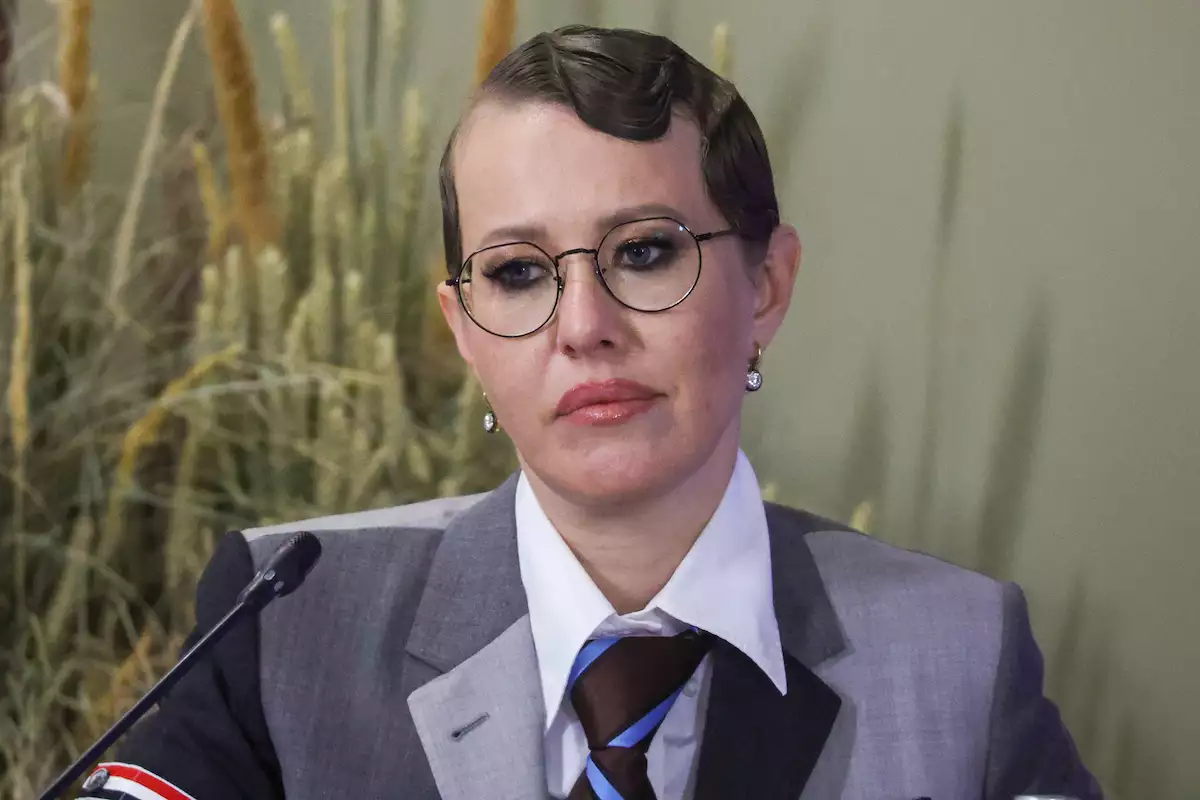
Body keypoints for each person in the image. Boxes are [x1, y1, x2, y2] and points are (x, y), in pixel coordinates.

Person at [77, 24, 1102, 800]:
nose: (584, 326)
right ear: (464, 329)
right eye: (518, 272)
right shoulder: (283, 620)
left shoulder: (958, 652)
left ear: (768, 288)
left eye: (645, 251)